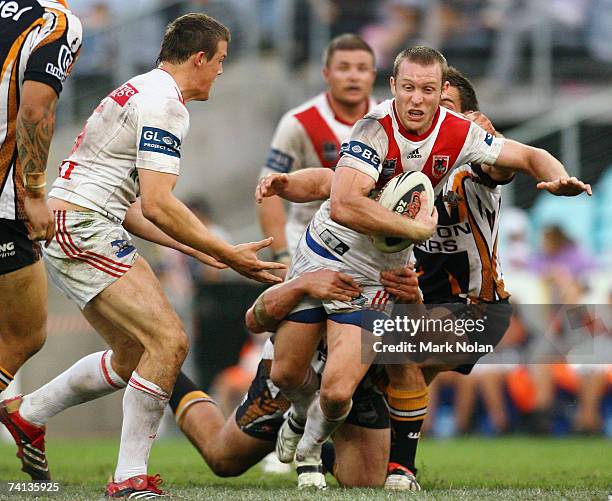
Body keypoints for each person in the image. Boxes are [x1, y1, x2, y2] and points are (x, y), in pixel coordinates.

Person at [258, 46, 591, 489]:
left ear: (474, 120)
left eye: (436, 96)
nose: (422, 103)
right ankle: (319, 422)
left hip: (474, 307)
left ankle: (398, 466)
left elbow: (523, 159)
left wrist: (556, 175)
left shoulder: (474, 161)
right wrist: (289, 186)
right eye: (411, 89)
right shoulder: (380, 137)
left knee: (397, 346)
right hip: (395, 286)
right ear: (395, 88)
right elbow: (335, 187)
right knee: (321, 439)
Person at [0, 13, 283, 498]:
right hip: (84, 227)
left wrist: (204, 252)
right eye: (219, 60)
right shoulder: (165, 104)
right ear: (199, 58)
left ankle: (29, 414)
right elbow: (157, 202)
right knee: (170, 342)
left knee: (135, 354)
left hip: (81, 223)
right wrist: (224, 251)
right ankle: (130, 478)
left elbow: (131, 207)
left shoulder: (141, 89)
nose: (220, 70)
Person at [168, 263, 420, 487]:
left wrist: (414, 304)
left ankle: (312, 439)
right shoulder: (321, 251)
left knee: (364, 482)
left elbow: (425, 350)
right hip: (293, 383)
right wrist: (301, 284)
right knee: (223, 460)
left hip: (357, 387)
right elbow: (254, 321)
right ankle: (166, 369)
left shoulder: (402, 264)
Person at [0, 0, 82, 417]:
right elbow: (34, 108)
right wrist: (33, 192)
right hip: (2, 198)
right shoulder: (57, 22)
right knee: (25, 333)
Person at [258, 33, 377, 271]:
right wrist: (282, 255)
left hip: (368, 255)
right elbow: (268, 191)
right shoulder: (298, 122)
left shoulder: (387, 122)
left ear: (373, 75)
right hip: (306, 249)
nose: (353, 76)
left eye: (362, 68)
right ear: (326, 74)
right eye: (343, 68)